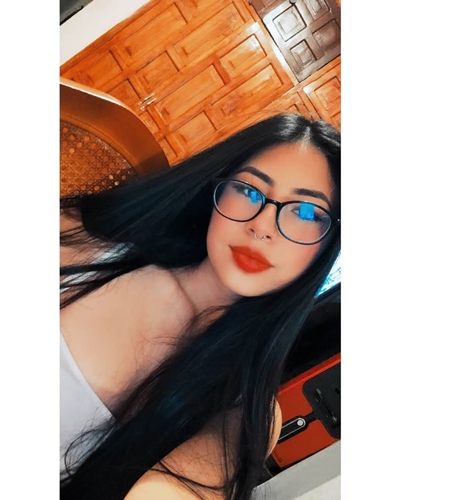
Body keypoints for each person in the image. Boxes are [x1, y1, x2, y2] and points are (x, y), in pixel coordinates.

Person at [60, 113, 341, 500]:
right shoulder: (89, 245)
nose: (262, 226)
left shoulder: (247, 410)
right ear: (216, 191)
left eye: (306, 212)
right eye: (248, 190)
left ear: (329, 242)